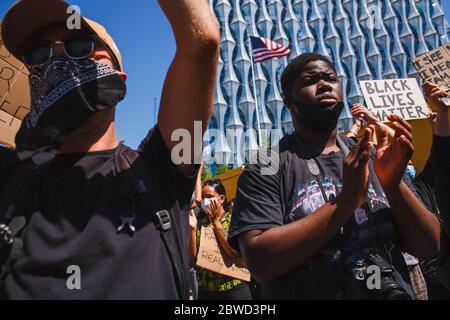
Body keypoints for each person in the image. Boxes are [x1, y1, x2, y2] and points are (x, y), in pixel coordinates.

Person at [0, 0, 219, 299]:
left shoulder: (161, 169)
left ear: (118, 76)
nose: (58, 60)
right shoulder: (11, 175)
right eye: (40, 54)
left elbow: (201, 41)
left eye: (79, 46)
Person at [228, 53, 440, 300]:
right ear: (289, 102)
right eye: (311, 80)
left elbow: (429, 244)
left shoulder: (374, 154)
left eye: (330, 78)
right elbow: (260, 262)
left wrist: (392, 185)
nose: (324, 84)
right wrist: (346, 201)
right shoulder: (267, 165)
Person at [190, 179, 252, 300]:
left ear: (221, 198)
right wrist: (192, 230)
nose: (205, 200)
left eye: (209, 196)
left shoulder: (234, 220)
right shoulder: (200, 223)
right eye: (203, 197)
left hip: (233, 289)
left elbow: (234, 252)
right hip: (207, 290)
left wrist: (216, 222)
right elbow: (193, 258)